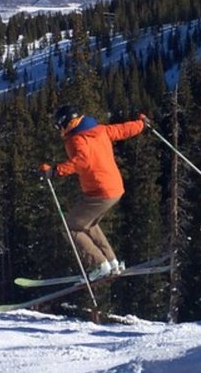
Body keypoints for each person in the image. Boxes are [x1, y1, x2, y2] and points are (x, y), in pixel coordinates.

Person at [39, 105, 146, 280]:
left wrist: (55, 170)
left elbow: (82, 161)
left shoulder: (76, 139)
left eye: (58, 126)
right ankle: (111, 262)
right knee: (88, 224)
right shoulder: (99, 130)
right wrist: (141, 124)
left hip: (100, 191)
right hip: (114, 189)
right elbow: (122, 130)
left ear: (64, 123)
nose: (58, 130)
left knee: (71, 227)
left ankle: (99, 264)